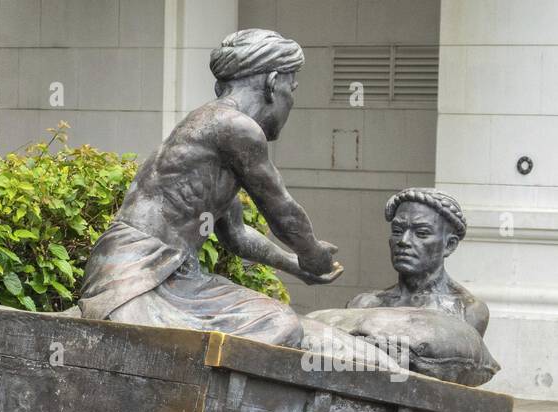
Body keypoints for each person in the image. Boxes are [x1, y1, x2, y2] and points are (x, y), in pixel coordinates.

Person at [79, 28, 340, 347]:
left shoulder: (209, 133)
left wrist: (295, 265)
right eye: (292, 87)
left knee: (279, 321)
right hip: (134, 278)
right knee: (279, 326)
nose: (291, 100)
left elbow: (237, 235)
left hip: (170, 275)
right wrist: (312, 253)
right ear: (272, 83)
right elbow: (282, 211)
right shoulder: (236, 128)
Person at [346, 188, 487, 333]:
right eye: (397, 231)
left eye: (421, 233)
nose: (403, 241)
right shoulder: (364, 304)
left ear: (449, 245)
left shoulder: (466, 310)